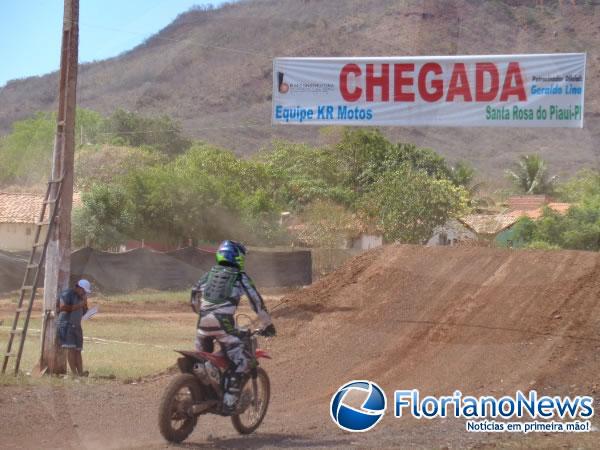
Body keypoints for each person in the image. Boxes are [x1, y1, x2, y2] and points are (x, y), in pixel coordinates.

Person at [191, 240, 276, 413]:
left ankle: (203, 392)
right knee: (242, 360)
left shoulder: (208, 275)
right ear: (238, 257)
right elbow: (256, 302)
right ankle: (229, 402)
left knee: (203, 357)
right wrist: (268, 324)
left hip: (201, 324)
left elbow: (194, 296)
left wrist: (203, 312)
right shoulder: (239, 276)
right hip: (223, 324)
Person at [56, 279, 92, 377]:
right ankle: (74, 374)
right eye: (84, 291)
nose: (84, 293)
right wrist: (79, 305)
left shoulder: (81, 297)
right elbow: (62, 308)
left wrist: (85, 306)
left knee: (78, 350)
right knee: (71, 349)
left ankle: (80, 373)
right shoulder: (67, 294)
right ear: (79, 287)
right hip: (66, 325)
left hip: (77, 325)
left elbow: (84, 312)